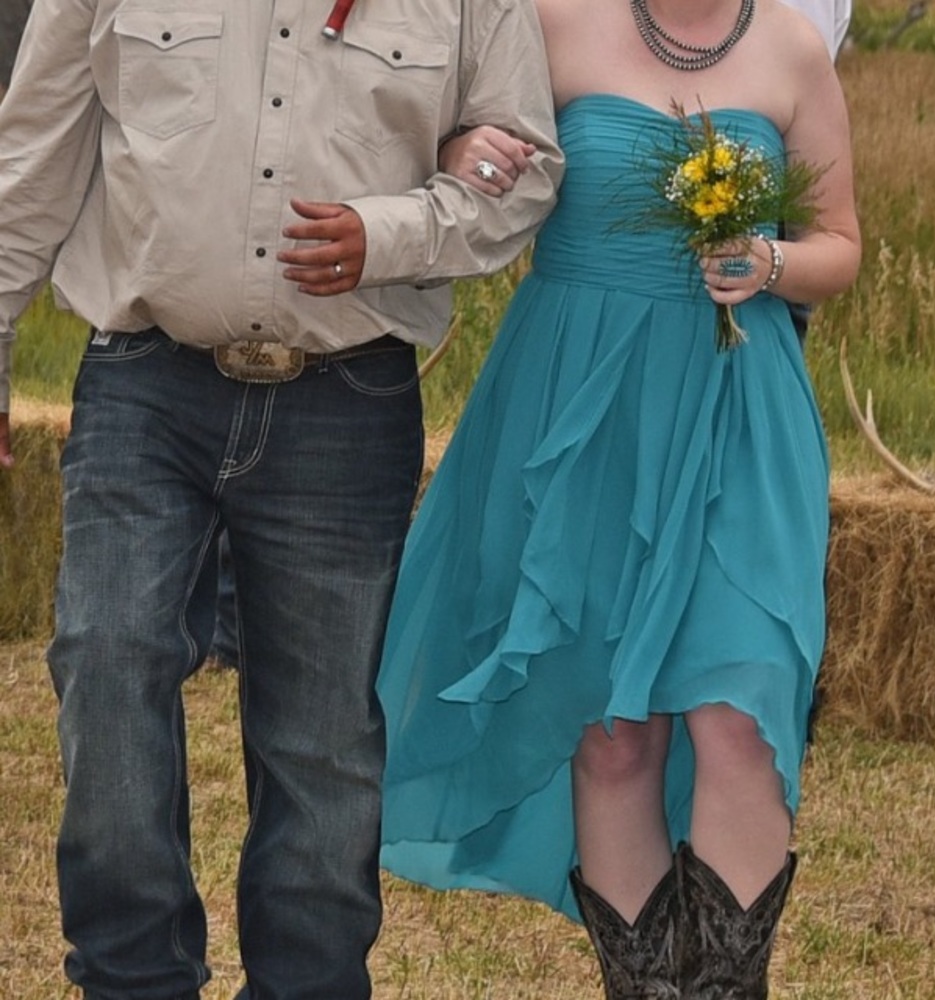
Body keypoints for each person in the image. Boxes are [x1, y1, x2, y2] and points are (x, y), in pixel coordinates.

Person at [0, 0, 562, 995]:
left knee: (324, 742)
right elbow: (29, 159)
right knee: (106, 657)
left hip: (347, 404)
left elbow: (524, 166)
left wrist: (391, 233)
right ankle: (133, 978)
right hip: (143, 384)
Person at [377, 0, 861, 997]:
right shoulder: (547, 24)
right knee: (610, 730)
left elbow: (839, 244)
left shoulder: (793, 47)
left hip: (739, 410)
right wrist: (470, 146)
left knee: (739, 713)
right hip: (580, 411)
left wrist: (766, 262)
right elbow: (461, 150)